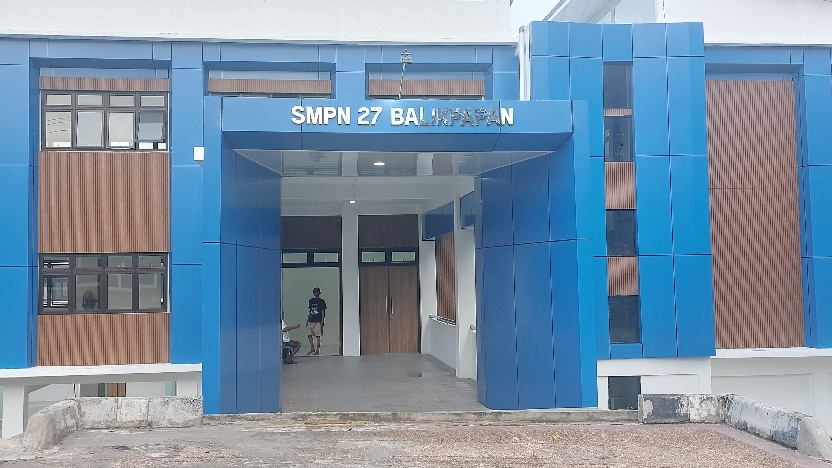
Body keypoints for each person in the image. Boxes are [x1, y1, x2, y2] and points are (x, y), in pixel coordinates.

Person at [306, 287, 327, 355]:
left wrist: (322, 321)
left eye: (317, 292)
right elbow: (310, 311)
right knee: (309, 334)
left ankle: (317, 350)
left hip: (318, 320)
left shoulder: (322, 301)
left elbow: (323, 311)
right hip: (311, 320)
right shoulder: (311, 300)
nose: (316, 293)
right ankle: (312, 348)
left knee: (318, 335)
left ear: (319, 293)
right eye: (315, 292)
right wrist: (307, 320)